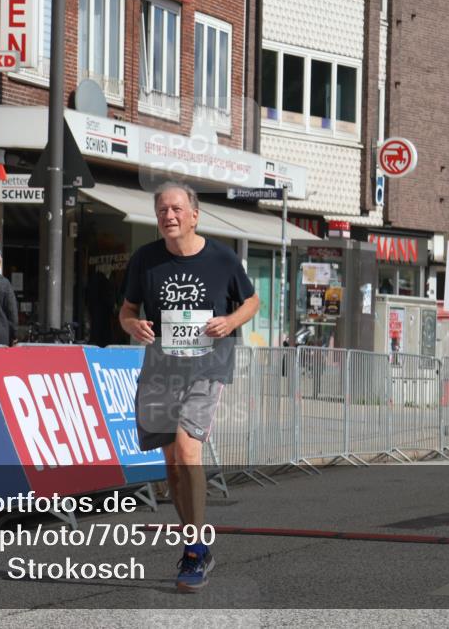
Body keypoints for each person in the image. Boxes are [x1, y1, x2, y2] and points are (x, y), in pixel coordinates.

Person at [120, 182, 259, 593]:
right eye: (162, 210)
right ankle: (194, 540)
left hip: (208, 365)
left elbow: (251, 302)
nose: (169, 216)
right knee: (172, 464)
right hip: (162, 367)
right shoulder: (145, 260)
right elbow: (126, 310)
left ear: (194, 215)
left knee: (187, 448)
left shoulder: (222, 258)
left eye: (177, 209)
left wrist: (230, 322)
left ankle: (196, 550)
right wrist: (134, 325)